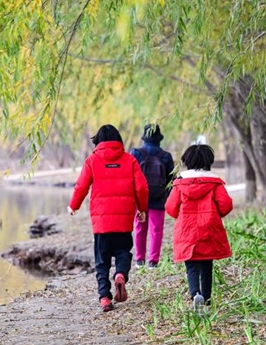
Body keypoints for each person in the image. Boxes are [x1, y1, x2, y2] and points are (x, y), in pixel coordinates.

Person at [68, 124, 149, 312]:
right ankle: (120, 274)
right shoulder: (130, 160)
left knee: (102, 261)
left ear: (98, 141)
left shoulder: (92, 160)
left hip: (102, 222)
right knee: (123, 252)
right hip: (123, 220)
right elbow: (142, 187)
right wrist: (142, 209)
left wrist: (73, 205)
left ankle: (104, 297)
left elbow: (81, 186)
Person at [165, 144, 233, 312]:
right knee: (206, 265)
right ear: (209, 161)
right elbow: (226, 205)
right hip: (209, 228)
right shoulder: (215, 183)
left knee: (192, 266)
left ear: (186, 162)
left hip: (186, 229)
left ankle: (196, 294)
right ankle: (207, 300)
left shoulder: (179, 185)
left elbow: (170, 207)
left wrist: (181, 217)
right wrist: (215, 215)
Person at [130, 124, 175, 268]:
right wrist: (166, 196)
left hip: (139, 197)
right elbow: (172, 180)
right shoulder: (166, 156)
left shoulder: (136, 153)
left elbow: (129, 177)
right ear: (159, 138)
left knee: (139, 228)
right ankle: (153, 261)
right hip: (159, 198)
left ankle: (139, 259)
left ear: (144, 138)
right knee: (156, 230)